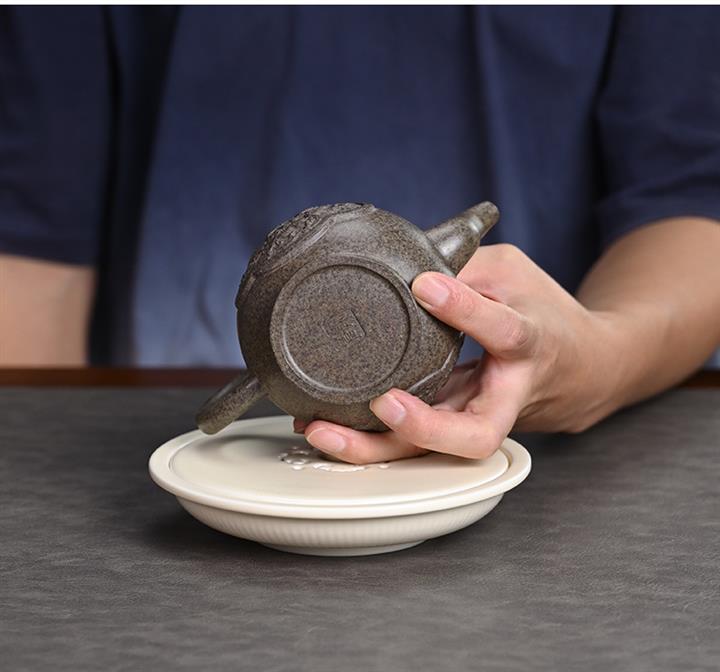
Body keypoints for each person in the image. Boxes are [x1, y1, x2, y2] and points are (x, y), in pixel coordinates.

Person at [1, 6, 719, 463]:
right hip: (169, 444)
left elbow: (691, 195)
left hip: (550, 454)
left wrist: (600, 354)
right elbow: (30, 232)